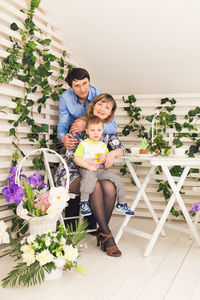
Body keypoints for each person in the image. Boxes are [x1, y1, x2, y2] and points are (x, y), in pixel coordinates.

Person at [55, 93, 124, 257]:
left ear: (109, 114)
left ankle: (102, 231)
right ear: (93, 106)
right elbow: (72, 155)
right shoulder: (79, 128)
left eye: (107, 108)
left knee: (110, 187)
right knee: (96, 186)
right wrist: (88, 164)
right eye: (100, 104)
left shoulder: (107, 133)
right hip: (71, 171)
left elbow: (120, 148)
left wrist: (111, 155)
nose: (102, 109)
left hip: (94, 172)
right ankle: (107, 235)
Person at [73, 116, 134, 217]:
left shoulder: (103, 145)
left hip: (101, 170)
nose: (96, 133)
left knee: (117, 179)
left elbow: (106, 160)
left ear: (102, 131)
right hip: (87, 168)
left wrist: (104, 159)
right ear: (87, 131)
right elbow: (76, 159)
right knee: (89, 178)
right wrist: (88, 166)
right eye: (92, 130)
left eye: (99, 130)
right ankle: (84, 202)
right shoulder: (84, 144)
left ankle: (122, 203)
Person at [57, 67, 117, 149]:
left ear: (89, 82)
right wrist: (63, 138)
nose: (82, 89)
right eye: (77, 85)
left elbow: (112, 127)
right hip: (77, 137)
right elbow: (63, 125)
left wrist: (87, 125)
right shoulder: (65, 98)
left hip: (99, 138)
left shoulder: (100, 96)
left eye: (84, 83)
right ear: (70, 87)